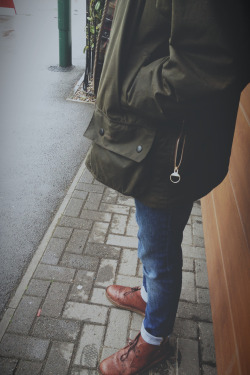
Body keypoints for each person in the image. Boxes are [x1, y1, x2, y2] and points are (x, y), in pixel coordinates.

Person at [84, 1, 250, 374]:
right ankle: (147, 296)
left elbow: (210, 62)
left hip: (170, 148)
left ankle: (154, 340)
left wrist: (130, 85)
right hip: (162, 140)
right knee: (154, 240)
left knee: (159, 254)